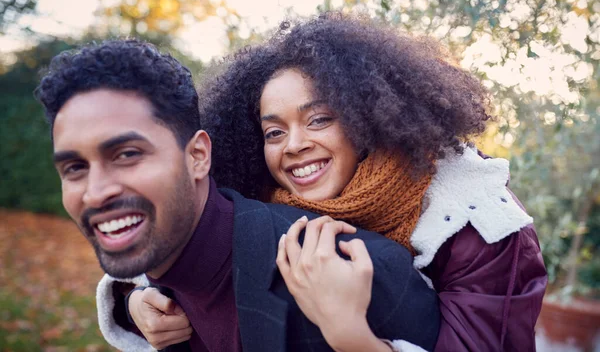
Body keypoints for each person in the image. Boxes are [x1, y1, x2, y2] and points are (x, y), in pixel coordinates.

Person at [103, 13, 547, 351]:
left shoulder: (475, 216)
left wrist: (351, 333)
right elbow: (196, 241)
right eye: (273, 131)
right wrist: (135, 300)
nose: (294, 144)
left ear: (364, 118)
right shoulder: (266, 196)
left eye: (319, 119)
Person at [34, 39, 440, 352]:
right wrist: (129, 300)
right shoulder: (155, 280)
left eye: (127, 154)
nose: (96, 192)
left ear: (198, 156)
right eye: (74, 168)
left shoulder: (361, 267)